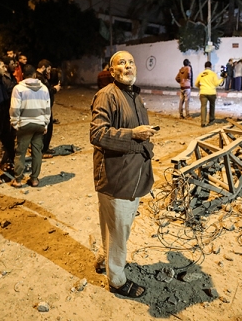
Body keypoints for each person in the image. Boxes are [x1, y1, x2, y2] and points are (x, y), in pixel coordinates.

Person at [90, 50, 155, 299]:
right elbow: (97, 134)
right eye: (121, 63)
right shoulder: (106, 95)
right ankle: (117, 280)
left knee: (112, 226)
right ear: (112, 69)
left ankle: (106, 261)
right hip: (116, 177)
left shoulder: (133, 94)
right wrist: (132, 135)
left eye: (131, 62)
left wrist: (145, 138)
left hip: (133, 174)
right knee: (120, 231)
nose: (127, 66)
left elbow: (136, 129)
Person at [10, 64, 51, 187]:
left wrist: (15, 123)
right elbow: (47, 109)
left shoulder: (18, 89)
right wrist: (45, 124)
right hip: (39, 124)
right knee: (37, 152)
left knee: (20, 152)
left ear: (23, 75)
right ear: (34, 75)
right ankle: (34, 179)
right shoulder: (44, 89)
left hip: (24, 124)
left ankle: (18, 180)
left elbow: (14, 108)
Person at [33, 60, 61, 158]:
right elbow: (44, 92)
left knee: (48, 128)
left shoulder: (42, 77)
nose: (49, 72)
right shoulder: (38, 78)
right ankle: (41, 151)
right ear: (43, 67)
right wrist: (55, 89)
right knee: (44, 129)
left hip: (46, 106)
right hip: (42, 107)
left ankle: (45, 148)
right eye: (48, 69)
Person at [194, 61, 224, 127]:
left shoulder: (201, 74)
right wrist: (222, 79)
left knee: (203, 107)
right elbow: (216, 84)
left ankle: (203, 123)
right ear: (211, 66)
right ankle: (211, 119)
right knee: (212, 105)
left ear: (205, 67)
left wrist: (201, 87)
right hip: (212, 92)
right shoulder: (213, 74)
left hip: (203, 92)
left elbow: (196, 84)